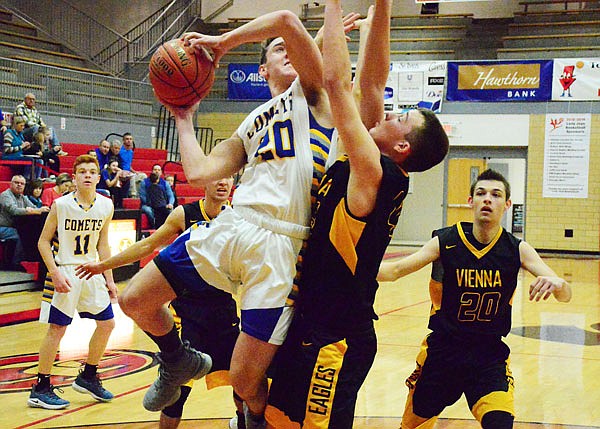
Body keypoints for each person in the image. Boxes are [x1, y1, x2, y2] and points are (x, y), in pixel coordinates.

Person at [117, 10, 344, 426]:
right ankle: (177, 359)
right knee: (134, 299)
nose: (289, 52)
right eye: (278, 50)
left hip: (283, 245)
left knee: (243, 379)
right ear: (263, 70)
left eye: (295, 49)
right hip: (234, 225)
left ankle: (253, 418)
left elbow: (288, 21)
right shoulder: (251, 121)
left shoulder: (314, 95)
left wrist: (222, 43)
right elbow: (200, 171)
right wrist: (184, 117)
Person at [265, 2, 448, 427]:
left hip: (336, 337)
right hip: (314, 323)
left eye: (400, 118)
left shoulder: (370, 169)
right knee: (276, 419)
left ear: (402, 147)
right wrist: (382, 7)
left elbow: (336, 81)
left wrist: (331, 5)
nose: (387, 112)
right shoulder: (373, 161)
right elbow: (373, 80)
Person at [377, 169, 572, 429]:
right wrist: (349, 266)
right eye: (480, 193)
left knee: (500, 423)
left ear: (507, 204)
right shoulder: (445, 241)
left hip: (488, 354)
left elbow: (565, 295)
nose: (487, 199)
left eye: (495, 194)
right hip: (442, 353)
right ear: (470, 201)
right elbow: (395, 271)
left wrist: (559, 283)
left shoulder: (517, 249)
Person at [75, 177, 245, 429]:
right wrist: (103, 266)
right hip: (187, 312)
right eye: (216, 178)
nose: (222, 183)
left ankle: (244, 422)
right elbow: (147, 244)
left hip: (223, 310)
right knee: (175, 392)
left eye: (228, 178)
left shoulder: (240, 218)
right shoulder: (184, 214)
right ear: (204, 182)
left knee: (243, 383)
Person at [28, 154, 116, 410]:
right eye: (82, 172)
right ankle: (40, 388)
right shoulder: (61, 205)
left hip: (92, 271)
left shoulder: (106, 205)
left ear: (99, 178)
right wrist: (54, 272)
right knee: (57, 329)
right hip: (65, 269)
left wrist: (109, 277)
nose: (87, 175)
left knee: (108, 323)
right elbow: (43, 242)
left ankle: (88, 375)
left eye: (92, 171)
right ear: (75, 178)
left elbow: (103, 244)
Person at [0, 175, 50, 270]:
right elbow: (14, 210)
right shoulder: (5, 195)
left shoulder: (22, 197)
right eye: (16, 183)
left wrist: (41, 209)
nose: (19, 185)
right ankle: (15, 263)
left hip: (15, 226)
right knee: (20, 234)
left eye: (22, 183)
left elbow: (35, 208)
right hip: (3, 227)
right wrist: (31, 211)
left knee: (30, 232)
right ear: (11, 184)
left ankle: (32, 259)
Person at [139, 164, 174, 229]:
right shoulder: (144, 182)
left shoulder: (165, 183)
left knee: (170, 209)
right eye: (155, 170)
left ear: (161, 172)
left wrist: (170, 203)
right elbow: (142, 197)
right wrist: (153, 204)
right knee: (148, 210)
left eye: (159, 170)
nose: (157, 171)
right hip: (147, 204)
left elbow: (171, 196)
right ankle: (154, 226)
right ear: (152, 171)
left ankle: (168, 228)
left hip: (161, 204)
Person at [119, 132, 146, 198]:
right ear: (123, 141)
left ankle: (141, 195)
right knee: (132, 176)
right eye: (127, 139)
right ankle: (133, 195)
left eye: (130, 139)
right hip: (122, 174)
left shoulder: (131, 152)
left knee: (143, 176)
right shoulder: (120, 151)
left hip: (129, 173)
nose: (129, 140)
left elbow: (128, 165)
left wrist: (135, 172)